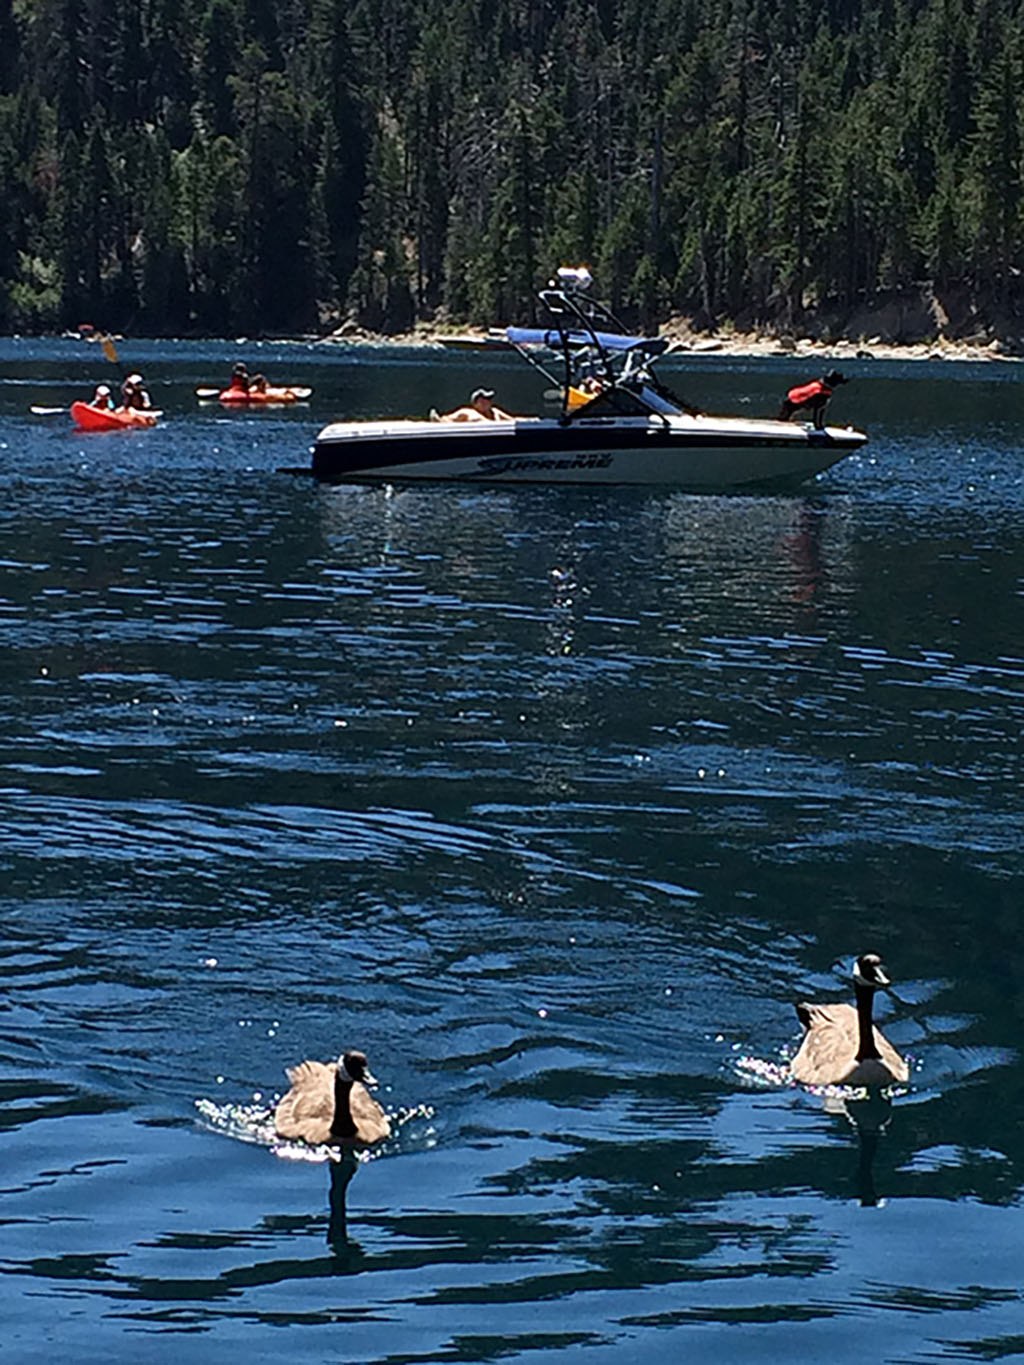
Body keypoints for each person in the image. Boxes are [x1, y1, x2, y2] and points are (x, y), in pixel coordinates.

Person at [778, 370, 847, 428]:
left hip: (792, 398)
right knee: (783, 421)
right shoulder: (820, 392)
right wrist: (818, 426)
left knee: (784, 419)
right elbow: (817, 410)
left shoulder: (819, 387)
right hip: (792, 400)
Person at [443, 387, 513, 422]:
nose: (486, 402)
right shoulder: (466, 412)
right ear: (475, 403)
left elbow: (513, 420)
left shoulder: (495, 412)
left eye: (488, 399)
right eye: (482, 401)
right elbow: (445, 419)